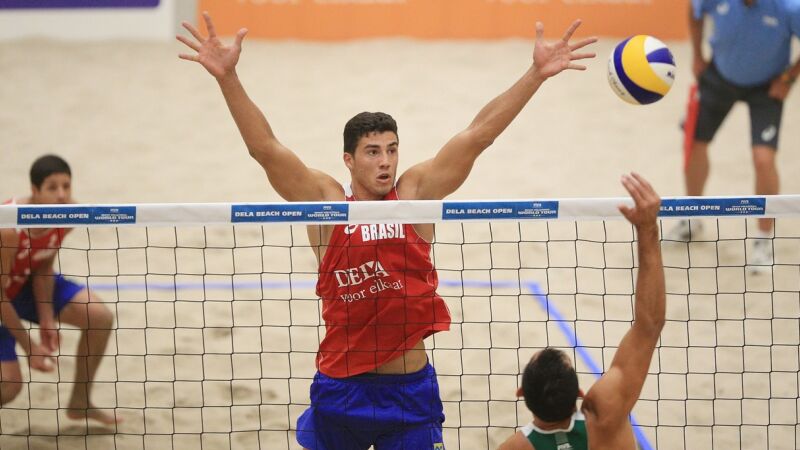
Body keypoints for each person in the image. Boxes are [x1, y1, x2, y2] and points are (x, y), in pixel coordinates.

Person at [178, 12, 596, 450]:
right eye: (373, 152)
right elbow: (264, 149)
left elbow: (478, 136)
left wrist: (535, 74)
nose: (385, 161)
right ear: (349, 160)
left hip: (408, 395)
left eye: (392, 150)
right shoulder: (326, 205)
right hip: (342, 390)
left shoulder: (414, 196)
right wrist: (227, 77)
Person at [497, 173, 664, 450]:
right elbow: (650, 326)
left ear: (521, 394)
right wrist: (648, 230)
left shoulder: (514, 447)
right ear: (580, 393)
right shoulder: (607, 415)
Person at [672, 0, 800, 268]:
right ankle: (692, 218)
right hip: (720, 76)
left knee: (763, 159)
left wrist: (788, 78)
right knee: (694, 143)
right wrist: (696, 54)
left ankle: (764, 240)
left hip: (767, 87)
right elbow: (694, 11)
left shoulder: (789, 7)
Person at [0, 155, 119, 425]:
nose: (62, 195)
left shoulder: (68, 214)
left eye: (66, 186)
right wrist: (30, 347)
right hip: (3, 295)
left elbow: (43, 266)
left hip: (26, 285)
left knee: (99, 317)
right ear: (34, 191)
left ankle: (80, 403)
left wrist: (46, 320)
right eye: (52, 188)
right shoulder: (8, 227)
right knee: (9, 386)